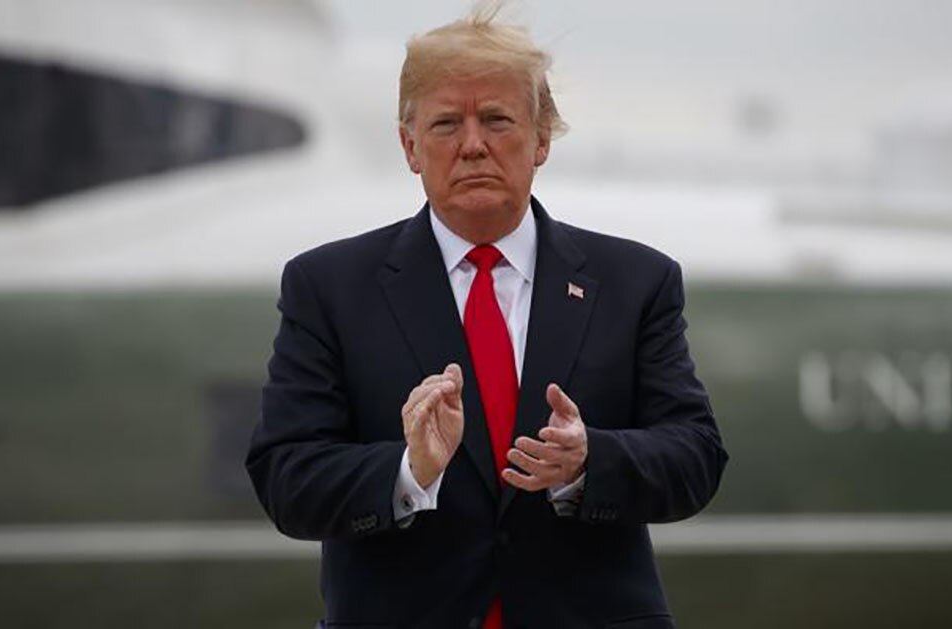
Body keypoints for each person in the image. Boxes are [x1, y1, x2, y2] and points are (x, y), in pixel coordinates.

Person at [246, 5, 727, 628]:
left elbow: (695, 457)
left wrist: (589, 461)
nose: (473, 144)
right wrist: (408, 470)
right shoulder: (328, 287)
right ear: (409, 145)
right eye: (446, 123)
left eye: (497, 119)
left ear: (543, 138)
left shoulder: (636, 281)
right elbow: (287, 479)